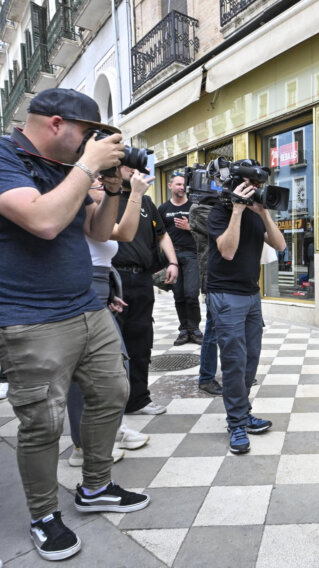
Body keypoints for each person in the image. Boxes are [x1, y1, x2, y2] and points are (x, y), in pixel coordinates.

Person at [0, 88, 151, 561]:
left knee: (112, 392)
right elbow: (42, 221)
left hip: (87, 306)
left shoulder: (67, 169)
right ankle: (45, 515)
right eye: (89, 135)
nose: (93, 144)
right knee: (43, 423)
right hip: (30, 318)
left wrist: (113, 188)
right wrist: (88, 166)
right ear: (55, 124)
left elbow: (99, 232)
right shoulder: (5, 156)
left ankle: (96, 486)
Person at [66, 173, 153, 467]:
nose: (103, 187)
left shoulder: (95, 210)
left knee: (118, 366)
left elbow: (122, 234)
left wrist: (109, 291)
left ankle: (111, 430)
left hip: (100, 290)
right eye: (99, 183)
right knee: (86, 375)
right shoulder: (77, 204)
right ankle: (82, 447)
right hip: (83, 291)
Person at [206, 170, 285, 454]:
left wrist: (263, 213)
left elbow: (280, 245)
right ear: (236, 184)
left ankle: (243, 412)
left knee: (251, 360)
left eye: (259, 185)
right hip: (225, 295)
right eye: (252, 184)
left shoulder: (255, 213)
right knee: (234, 362)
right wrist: (237, 210)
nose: (256, 189)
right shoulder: (218, 211)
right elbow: (226, 252)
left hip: (252, 296)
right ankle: (236, 422)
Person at [112, 166, 178, 415]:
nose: (137, 171)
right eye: (130, 165)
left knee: (141, 342)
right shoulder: (104, 197)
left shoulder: (147, 202)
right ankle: (112, 406)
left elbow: (162, 235)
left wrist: (173, 262)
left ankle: (138, 400)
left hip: (142, 279)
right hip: (113, 278)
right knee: (112, 347)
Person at [158, 172, 203, 346]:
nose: (181, 187)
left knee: (191, 294)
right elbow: (158, 235)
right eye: (177, 184)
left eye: (183, 184)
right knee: (179, 295)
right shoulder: (163, 209)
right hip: (172, 257)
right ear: (170, 186)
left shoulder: (194, 206)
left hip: (192, 255)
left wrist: (189, 227)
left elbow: (205, 230)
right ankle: (184, 330)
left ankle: (195, 329)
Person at [189, 194, 222, 396]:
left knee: (236, 331)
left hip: (233, 278)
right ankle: (206, 378)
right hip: (214, 278)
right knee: (213, 330)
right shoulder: (199, 210)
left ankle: (236, 373)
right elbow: (219, 226)